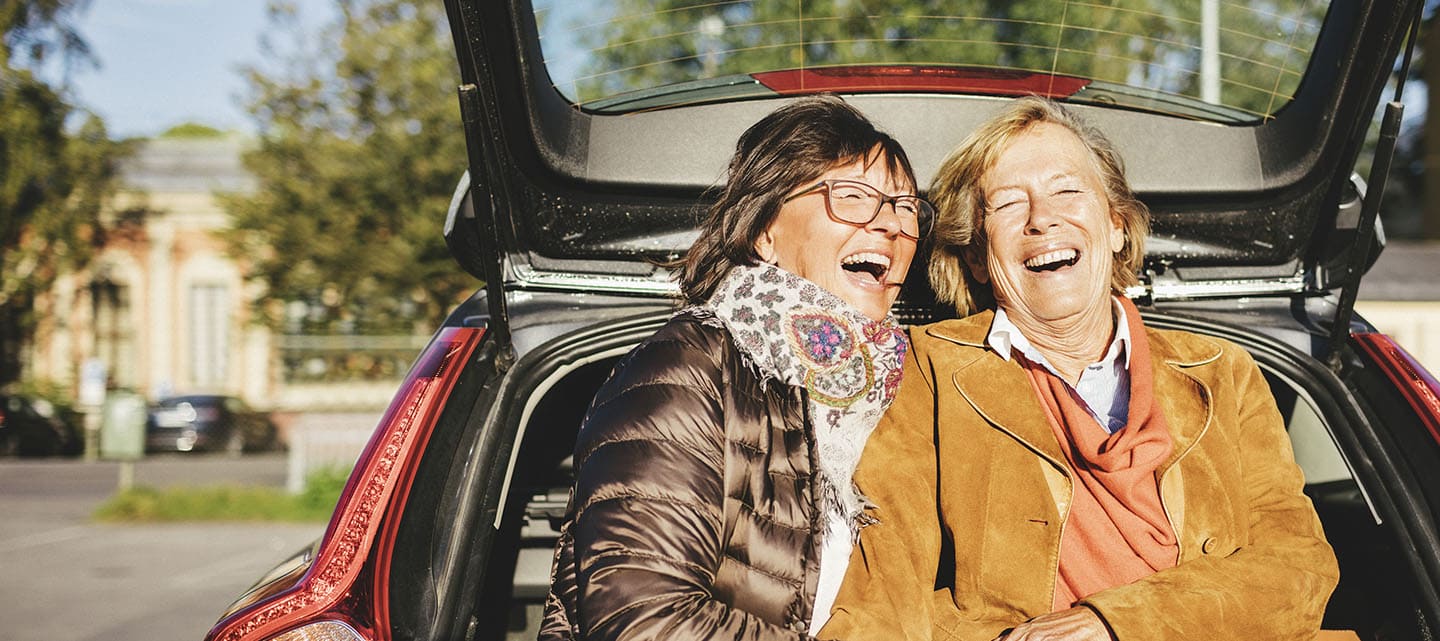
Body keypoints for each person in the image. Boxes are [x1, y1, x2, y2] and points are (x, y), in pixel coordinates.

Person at [819, 96, 1338, 641]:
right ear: (976, 256)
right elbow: (885, 590)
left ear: (1116, 226)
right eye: (1009, 205)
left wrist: (1114, 623)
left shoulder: (1222, 371)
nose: (1043, 219)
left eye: (1067, 191)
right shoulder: (926, 370)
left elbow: (1300, 566)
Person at [538, 95, 934, 641]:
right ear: (763, 233)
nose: (889, 224)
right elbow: (644, 619)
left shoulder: (916, 389)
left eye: (905, 206)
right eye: (853, 197)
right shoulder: (689, 365)